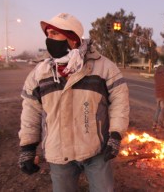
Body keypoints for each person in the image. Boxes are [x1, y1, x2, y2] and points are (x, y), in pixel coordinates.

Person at [18, 13, 130, 192]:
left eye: (55, 33)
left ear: (72, 38)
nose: (49, 39)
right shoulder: (40, 73)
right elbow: (31, 111)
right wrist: (27, 147)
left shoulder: (104, 68)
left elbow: (120, 102)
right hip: (59, 154)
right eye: (48, 34)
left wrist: (115, 135)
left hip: (97, 151)